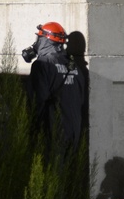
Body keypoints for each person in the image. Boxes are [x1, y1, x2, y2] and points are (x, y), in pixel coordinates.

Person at [24, 22, 86, 155]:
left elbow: (36, 102)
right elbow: (81, 99)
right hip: (74, 132)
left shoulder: (42, 65)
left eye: (39, 39)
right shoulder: (75, 67)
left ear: (45, 41)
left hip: (52, 134)